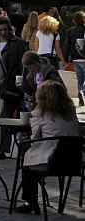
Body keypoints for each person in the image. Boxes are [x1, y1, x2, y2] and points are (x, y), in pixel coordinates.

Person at [14, 80, 80, 214]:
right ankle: (34, 193)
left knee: (26, 157)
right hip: (75, 161)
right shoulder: (71, 113)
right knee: (31, 156)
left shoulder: (39, 114)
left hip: (51, 162)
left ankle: (30, 201)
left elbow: (34, 140)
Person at [0, 16, 28, 157]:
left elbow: (24, 65)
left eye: (5, 29)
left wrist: (22, 82)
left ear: (9, 29)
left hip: (11, 85)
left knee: (4, 116)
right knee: (4, 117)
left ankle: (3, 150)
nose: (2, 33)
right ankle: (20, 147)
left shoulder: (18, 43)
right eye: (0, 30)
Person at [63, 11, 85, 105]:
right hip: (84, 57)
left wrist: (65, 59)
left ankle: (81, 96)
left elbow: (66, 45)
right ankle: (82, 93)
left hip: (75, 59)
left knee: (80, 80)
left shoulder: (70, 31)